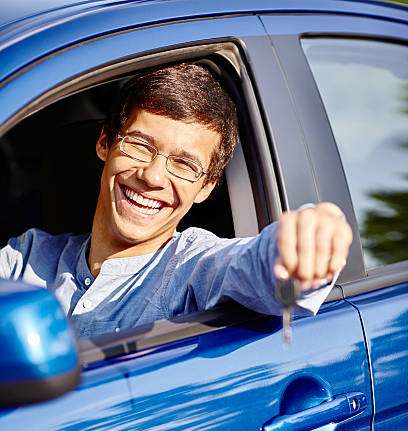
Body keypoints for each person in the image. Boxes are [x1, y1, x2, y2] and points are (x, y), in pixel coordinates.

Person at [0, 63, 352, 339]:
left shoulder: (192, 268)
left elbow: (254, 267)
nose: (152, 177)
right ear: (105, 143)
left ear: (206, 188)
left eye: (184, 165)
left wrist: (304, 241)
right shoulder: (28, 257)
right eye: (139, 144)